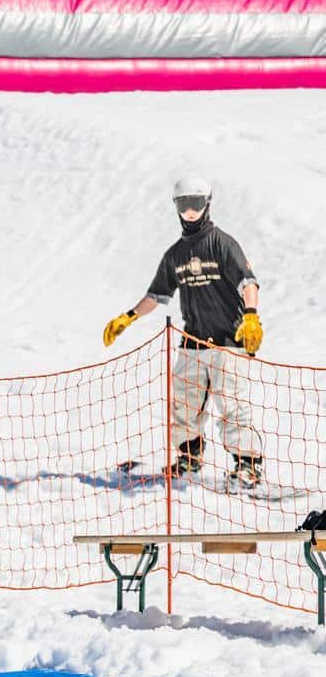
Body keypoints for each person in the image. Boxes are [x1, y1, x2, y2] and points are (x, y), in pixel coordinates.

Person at [103, 176, 265, 488]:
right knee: (185, 404)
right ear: (176, 207)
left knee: (231, 405)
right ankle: (189, 459)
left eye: (196, 204)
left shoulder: (222, 243)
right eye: (184, 204)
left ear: (207, 204)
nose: (190, 211)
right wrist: (128, 317)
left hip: (228, 342)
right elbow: (157, 295)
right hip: (191, 342)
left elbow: (249, 282)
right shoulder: (175, 254)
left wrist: (252, 316)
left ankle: (248, 466)